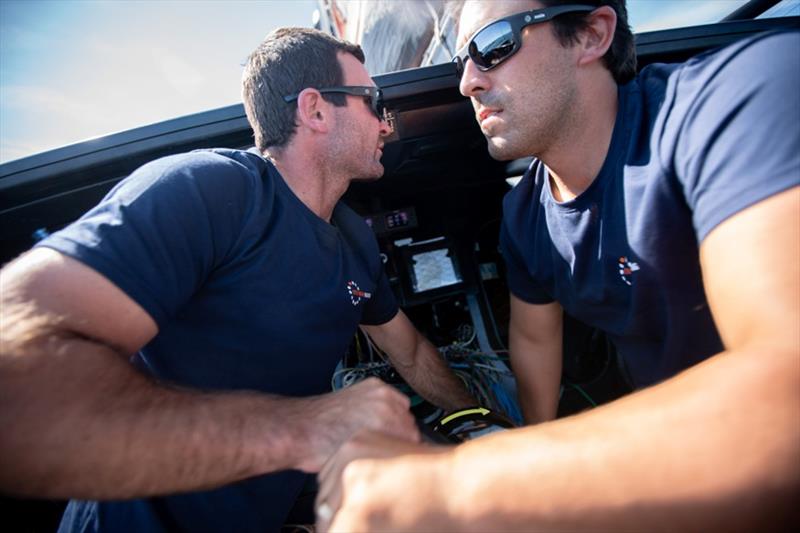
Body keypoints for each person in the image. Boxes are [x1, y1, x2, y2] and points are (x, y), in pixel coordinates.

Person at [315, 1, 799, 530]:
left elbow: (786, 399)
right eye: (463, 61)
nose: (468, 83)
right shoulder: (526, 218)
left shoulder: (735, 100)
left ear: (592, 34)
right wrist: (520, 436)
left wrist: (459, 486)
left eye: (493, 46)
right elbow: (535, 342)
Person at [0, 27, 475, 532]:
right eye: (372, 102)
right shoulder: (210, 190)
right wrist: (304, 429)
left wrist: (481, 425)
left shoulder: (354, 238)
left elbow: (413, 354)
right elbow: (15, 385)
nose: (386, 126)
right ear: (314, 110)